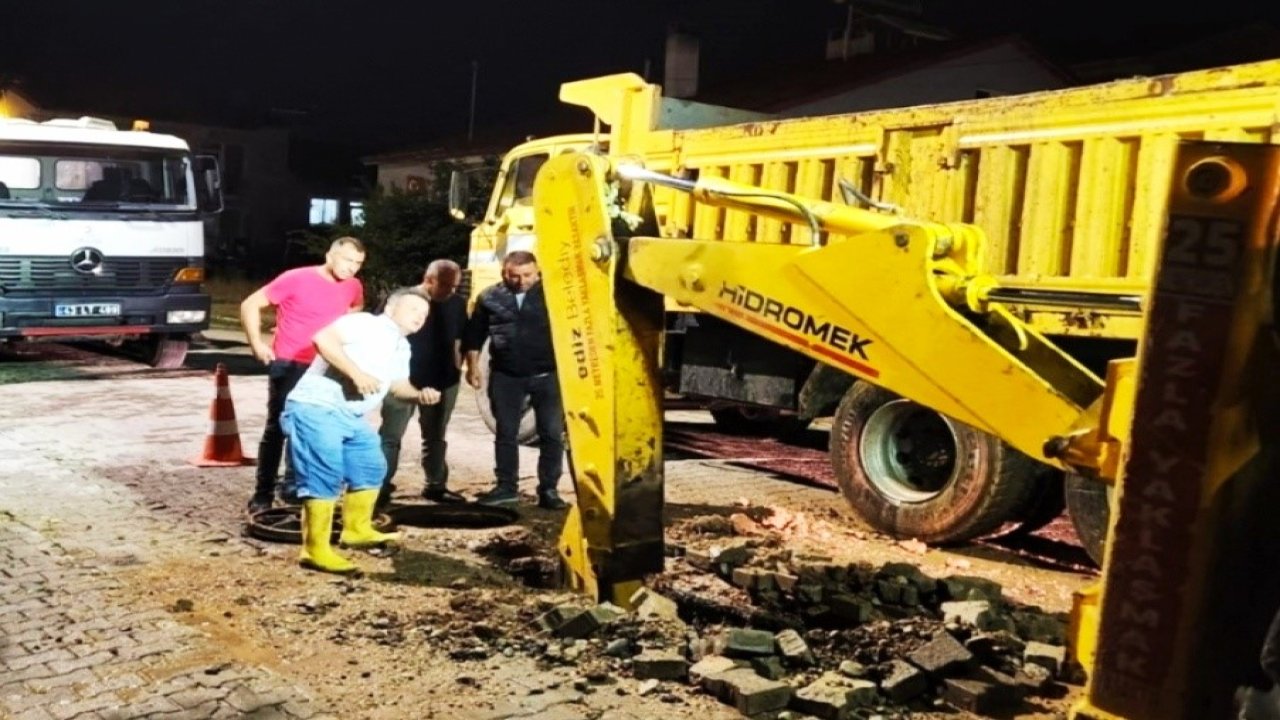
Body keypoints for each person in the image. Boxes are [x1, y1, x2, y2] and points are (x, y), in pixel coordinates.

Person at [281, 288, 440, 575]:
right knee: (324, 475)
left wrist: (420, 395)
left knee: (370, 466)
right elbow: (323, 339)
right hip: (316, 407)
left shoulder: (401, 346)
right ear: (391, 309)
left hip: (351, 415)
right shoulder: (366, 323)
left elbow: (397, 386)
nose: (420, 317)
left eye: (425, 314)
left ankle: (356, 530)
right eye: (413, 309)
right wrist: (355, 373)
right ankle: (314, 550)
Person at [240, 236, 366, 514]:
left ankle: (294, 487)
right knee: (278, 428)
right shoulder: (295, 278)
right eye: (347, 261)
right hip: (290, 362)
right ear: (330, 256)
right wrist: (257, 344)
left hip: (326, 366)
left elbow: (356, 308)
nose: (351, 268)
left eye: (357, 264)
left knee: (311, 429)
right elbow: (250, 304)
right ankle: (263, 493)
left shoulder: (353, 286)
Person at [463, 250, 567, 510]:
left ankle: (549, 490)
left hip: (548, 375)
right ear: (504, 274)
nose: (521, 281)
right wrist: (472, 367)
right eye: (514, 276)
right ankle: (506, 487)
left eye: (527, 275)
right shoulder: (489, 298)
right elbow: (474, 336)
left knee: (552, 435)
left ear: (538, 271)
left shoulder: (555, 294)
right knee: (506, 433)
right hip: (506, 376)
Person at [377, 259, 469, 507]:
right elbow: (381, 333)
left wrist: (458, 368)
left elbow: (460, 338)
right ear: (429, 280)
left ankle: (436, 485)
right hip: (403, 380)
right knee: (391, 436)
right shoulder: (403, 300)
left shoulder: (456, 304)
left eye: (455, 287)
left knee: (436, 436)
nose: (451, 292)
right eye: (446, 286)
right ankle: (379, 486)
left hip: (443, 381)